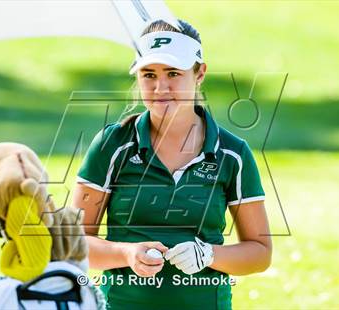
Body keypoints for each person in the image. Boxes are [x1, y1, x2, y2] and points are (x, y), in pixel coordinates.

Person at [74, 19, 272, 309]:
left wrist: (209, 255)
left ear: (200, 73)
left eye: (173, 73)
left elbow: (260, 253)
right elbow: (72, 244)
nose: (159, 87)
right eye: (149, 74)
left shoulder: (233, 153)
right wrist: (126, 253)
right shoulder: (112, 145)